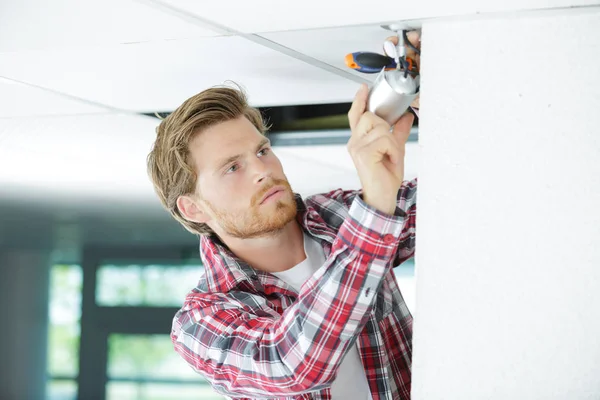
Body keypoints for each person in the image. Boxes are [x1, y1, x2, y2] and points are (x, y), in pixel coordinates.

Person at [146, 32, 420, 400]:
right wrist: (374, 211)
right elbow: (292, 365)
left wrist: (447, 91)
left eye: (261, 150)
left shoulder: (341, 218)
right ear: (192, 208)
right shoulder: (200, 323)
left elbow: (468, 200)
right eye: (232, 168)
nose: (262, 170)